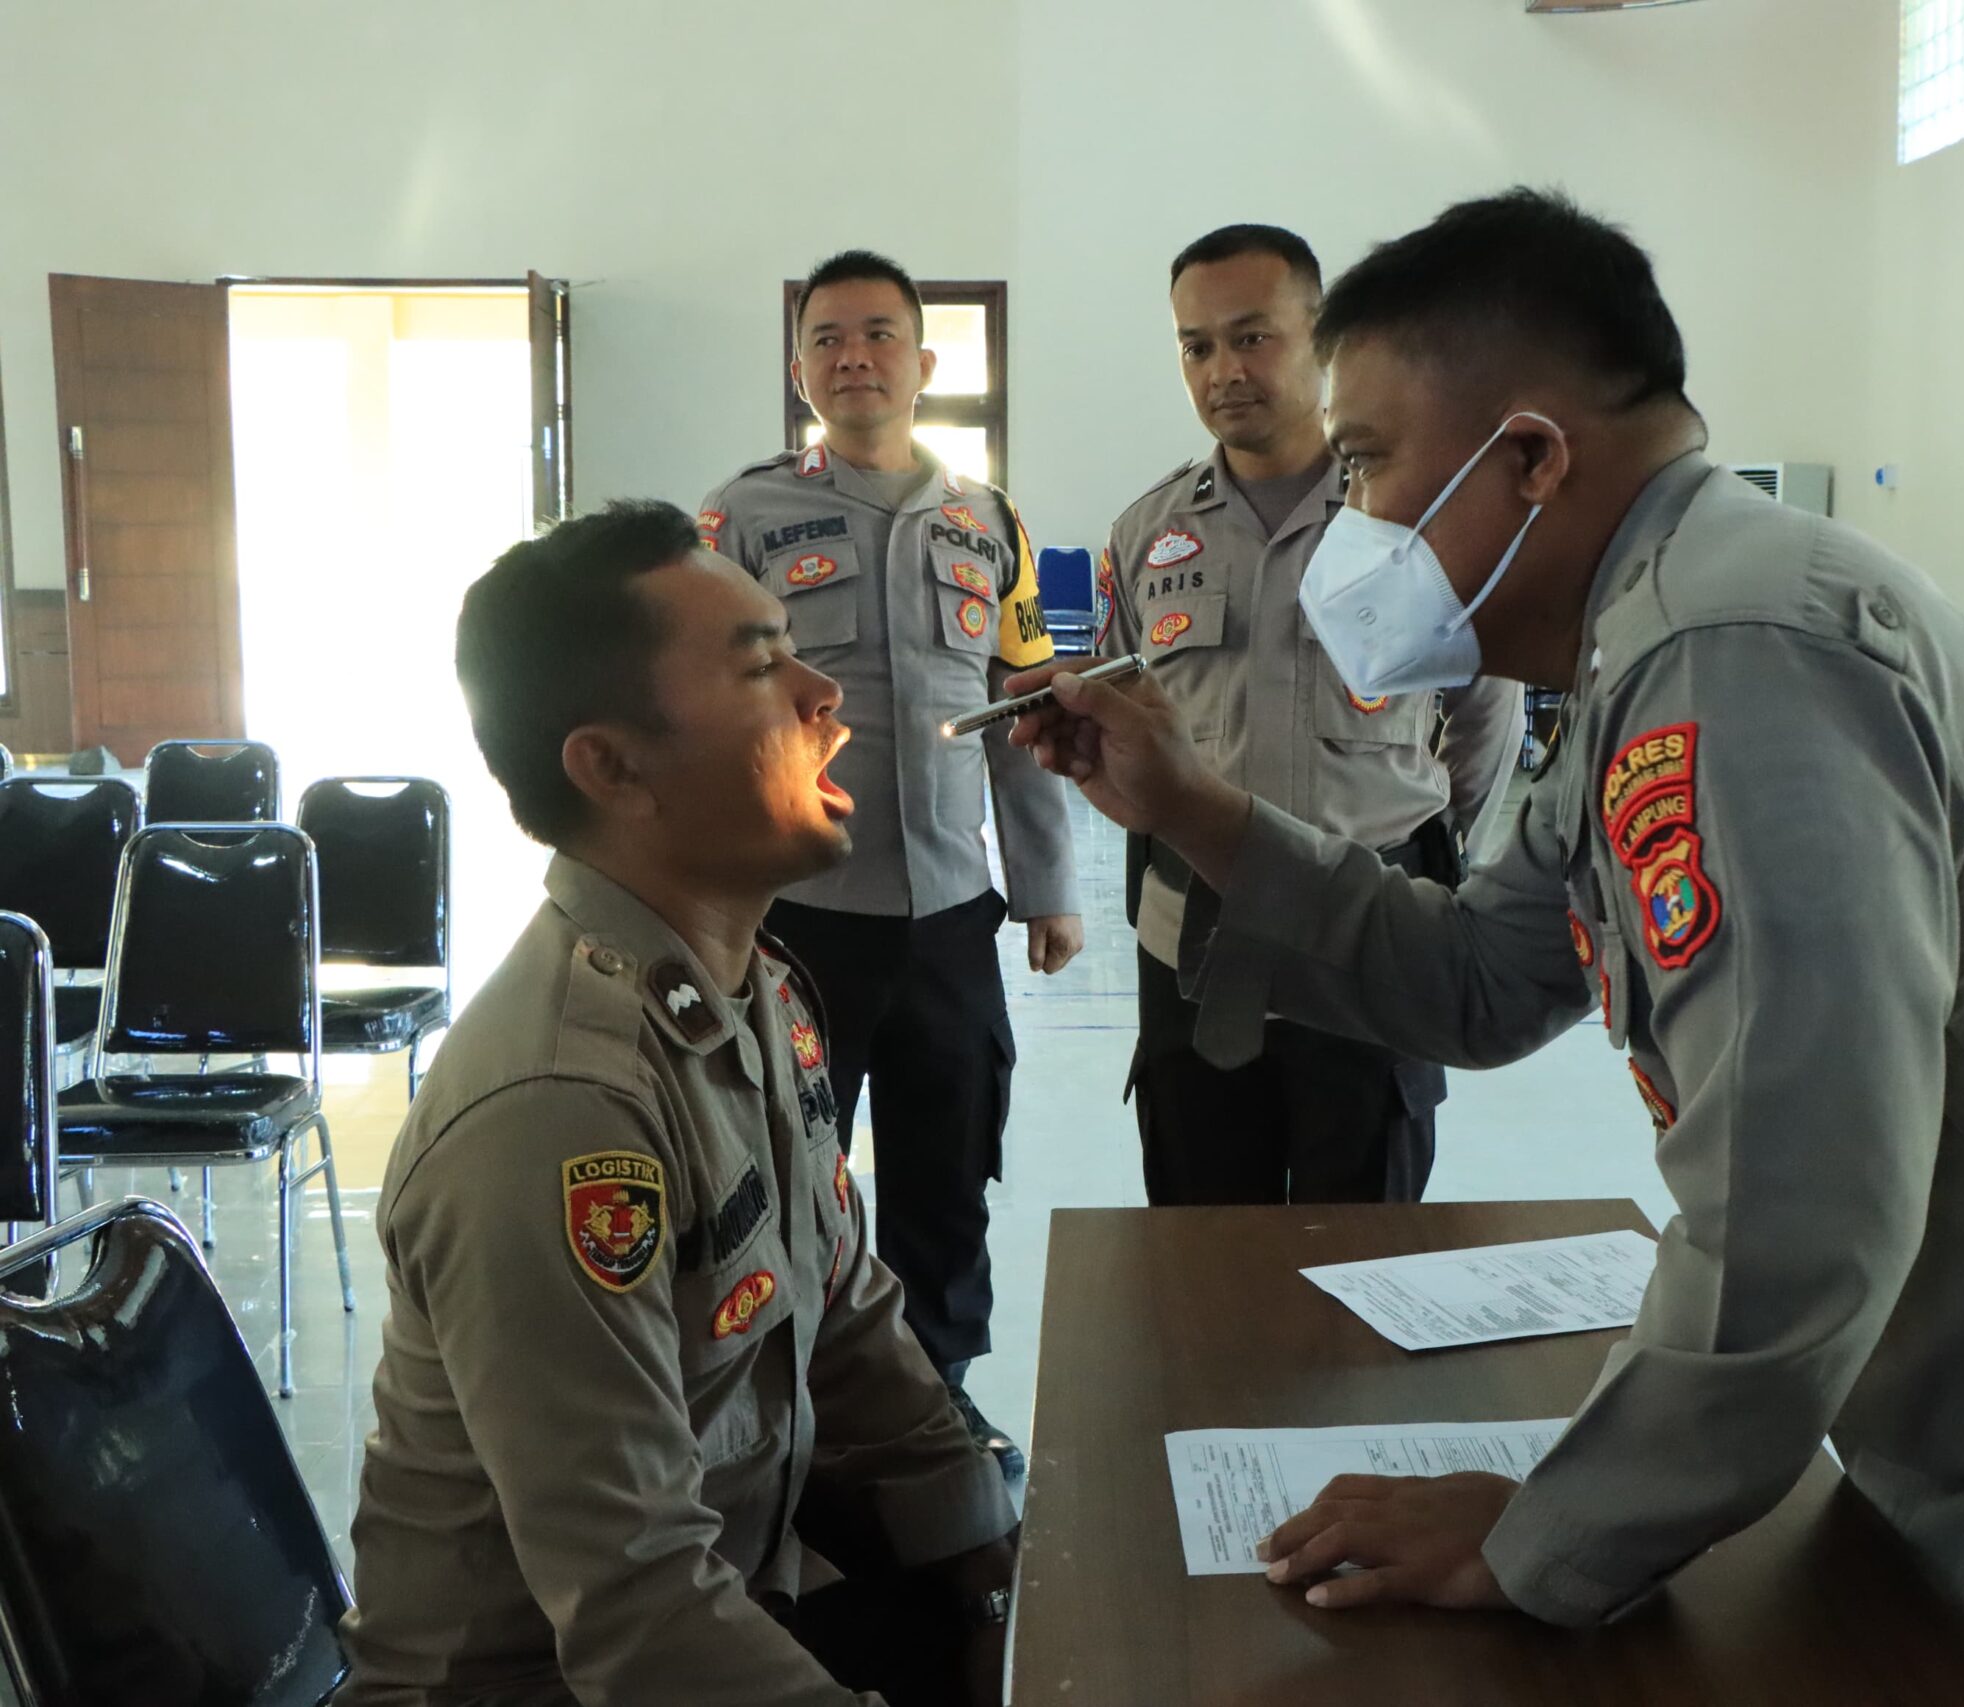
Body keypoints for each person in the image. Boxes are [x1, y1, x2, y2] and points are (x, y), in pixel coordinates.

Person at [1008, 190, 1964, 1706]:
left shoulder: (1737, 656)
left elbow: (1800, 1206)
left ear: (1530, 456)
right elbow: (1476, 977)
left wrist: (1541, 1540)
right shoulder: (1648, 639)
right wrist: (1190, 804)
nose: (1353, 526)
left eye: (1369, 463)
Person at [341, 502, 1016, 1707]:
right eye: (761, 667)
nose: (825, 695)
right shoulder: (560, 1111)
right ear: (612, 766)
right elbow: (635, 1610)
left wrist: (992, 1570)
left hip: (732, 1600)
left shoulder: (755, 990)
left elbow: (845, 1319)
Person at [699, 249, 1080, 1476]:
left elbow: (1025, 716)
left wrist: (1049, 890)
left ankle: (938, 1400)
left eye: (877, 335)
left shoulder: (987, 521)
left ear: (924, 361)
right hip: (799, 920)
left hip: (950, 918)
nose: (852, 357)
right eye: (827, 338)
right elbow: (704, 718)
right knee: (788, 1172)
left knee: (947, 1167)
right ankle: (792, 1416)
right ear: (799, 368)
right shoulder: (741, 520)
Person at [1102, 223, 1520, 1205]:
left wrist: (1418, 837)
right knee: (1202, 1245)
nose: (1223, 370)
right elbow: (1128, 706)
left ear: (1320, 335)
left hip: (1371, 933)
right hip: (1195, 938)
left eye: (1252, 336)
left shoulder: (1415, 514)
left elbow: (1485, 709)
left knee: (1364, 1242)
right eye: (1197, 346)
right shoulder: (1148, 532)